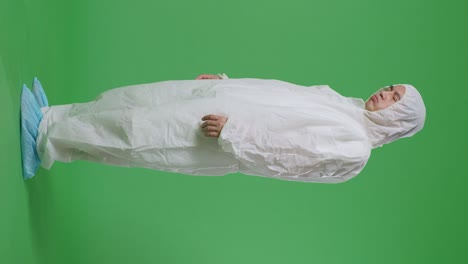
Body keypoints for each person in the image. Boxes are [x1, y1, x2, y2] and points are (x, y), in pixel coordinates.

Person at [20, 74, 426, 183]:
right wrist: (227, 82)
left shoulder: (354, 145)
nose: (383, 95)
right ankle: (56, 116)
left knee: (139, 134)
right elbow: (276, 93)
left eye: (394, 100)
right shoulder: (344, 106)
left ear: (398, 121)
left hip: (220, 134)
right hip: (221, 105)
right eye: (390, 88)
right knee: (138, 102)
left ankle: (48, 140)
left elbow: (292, 154)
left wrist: (236, 135)